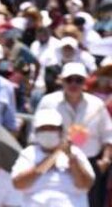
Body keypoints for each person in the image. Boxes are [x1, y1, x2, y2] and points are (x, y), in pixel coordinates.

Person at [35, 62, 112, 207]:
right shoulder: (48, 102)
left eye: (79, 80)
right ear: (62, 80)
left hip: (89, 166)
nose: (74, 84)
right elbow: (35, 134)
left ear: (85, 82)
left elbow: (109, 135)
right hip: (55, 164)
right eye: (69, 79)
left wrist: (106, 160)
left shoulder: (97, 105)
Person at [11, 109, 95, 207]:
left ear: (60, 131)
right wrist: (50, 159)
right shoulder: (28, 153)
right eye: (43, 129)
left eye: (52, 128)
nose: (48, 132)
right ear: (36, 132)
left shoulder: (75, 152)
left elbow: (85, 184)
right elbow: (18, 183)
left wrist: (71, 159)